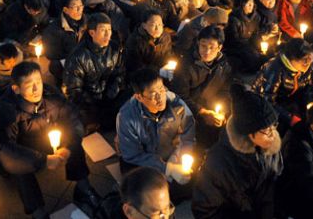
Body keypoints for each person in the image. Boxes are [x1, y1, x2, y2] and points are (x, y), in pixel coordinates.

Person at [0, 61, 103, 218]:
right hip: (21, 149)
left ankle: (83, 188)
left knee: (73, 141)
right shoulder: (6, 108)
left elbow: (72, 117)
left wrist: (67, 147)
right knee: (21, 166)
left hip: (44, 140)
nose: (37, 89)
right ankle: (37, 211)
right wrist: (43, 160)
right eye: (29, 85)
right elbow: (3, 145)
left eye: (38, 82)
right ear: (16, 89)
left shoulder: (50, 94)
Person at [192, 84, 283, 219]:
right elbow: (204, 210)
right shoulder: (218, 163)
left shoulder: (270, 149)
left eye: (273, 126)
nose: (272, 134)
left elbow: (274, 189)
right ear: (247, 134)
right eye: (265, 130)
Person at [116, 68, 195, 203]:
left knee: (190, 183)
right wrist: (166, 168)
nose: (160, 98)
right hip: (142, 161)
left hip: (171, 155)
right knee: (141, 195)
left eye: (161, 89)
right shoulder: (127, 116)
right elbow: (132, 154)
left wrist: (175, 160)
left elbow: (188, 138)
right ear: (139, 97)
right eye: (153, 95)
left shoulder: (178, 106)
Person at [63, 12, 128, 133]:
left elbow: (120, 73)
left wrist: (112, 92)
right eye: (103, 30)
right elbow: (73, 90)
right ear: (92, 32)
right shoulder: (78, 56)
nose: (108, 34)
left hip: (109, 97)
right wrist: (92, 102)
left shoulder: (114, 48)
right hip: (89, 103)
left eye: (109, 29)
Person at [169, 25, 232, 149]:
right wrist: (201, 112)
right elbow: (179, 96)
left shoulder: (224, 65)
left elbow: (225, 91)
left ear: (220, 47)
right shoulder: (186, 64)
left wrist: (222, 112)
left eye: (212, 47)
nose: (207, 51)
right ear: (198, 43)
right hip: (191, 109)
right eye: (203, 46)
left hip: (211, 106)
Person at [253, 38, 313, 133]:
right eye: (304, 59)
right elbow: (267, 100)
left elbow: (312, 90)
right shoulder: (274, 69)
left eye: (310, 57)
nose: (308, 62)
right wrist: (289, 118)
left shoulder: (308, 68)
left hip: (292, 99)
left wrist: (312, 106)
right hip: (274, 103)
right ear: (291, 59)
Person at [43, 0, 87, 86]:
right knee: (55, 65)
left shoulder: (88, 23)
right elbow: (51, 53)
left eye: (81, 6)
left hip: (87, 61)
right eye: (75, 7)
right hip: (68, 64)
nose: (80, 10)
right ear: (65, 10)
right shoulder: (53, 30)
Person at [224, 0, 264, 75]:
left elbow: (256, 34)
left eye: (252, 3)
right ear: (241, 4)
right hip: (236, 47)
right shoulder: (233, 19)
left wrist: (260, 45)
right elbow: (234, 39)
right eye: (248, 3)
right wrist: (250, 48)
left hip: (249, 45)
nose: (251, 6)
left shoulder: (256, 17)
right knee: (252, 59)